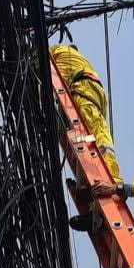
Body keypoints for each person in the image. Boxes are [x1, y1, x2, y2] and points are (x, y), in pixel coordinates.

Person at [50, 44, 121, 183]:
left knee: (94, 130)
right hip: (96, 91)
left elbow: (44, 76)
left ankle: (109, 175)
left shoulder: (56, 52)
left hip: (83, 87)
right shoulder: (80, 58)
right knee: (94, 129)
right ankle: (97, 174)